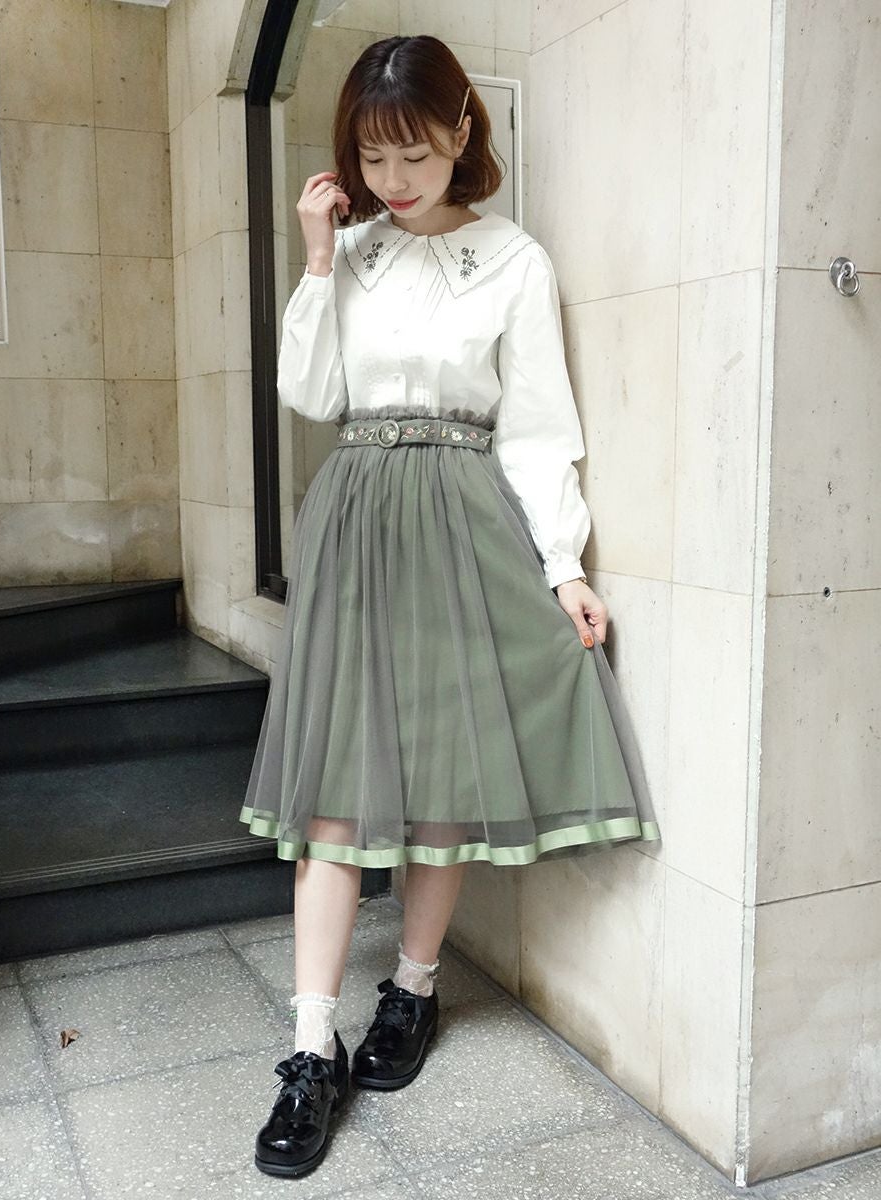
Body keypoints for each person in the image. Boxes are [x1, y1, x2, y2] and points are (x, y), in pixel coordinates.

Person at [239, 34, 660, 1178]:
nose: (394, 178)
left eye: (415, 154)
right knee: (334, 796)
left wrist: (562, 564)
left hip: (466, 523)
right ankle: (310, 1047)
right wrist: (316, 256)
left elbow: (537, 429)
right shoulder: (351, 252)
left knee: (437, 786)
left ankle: (413, 990)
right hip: (357, 521)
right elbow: (311, 394)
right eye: (373, 157)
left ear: (462, 132)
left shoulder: (513, 260)